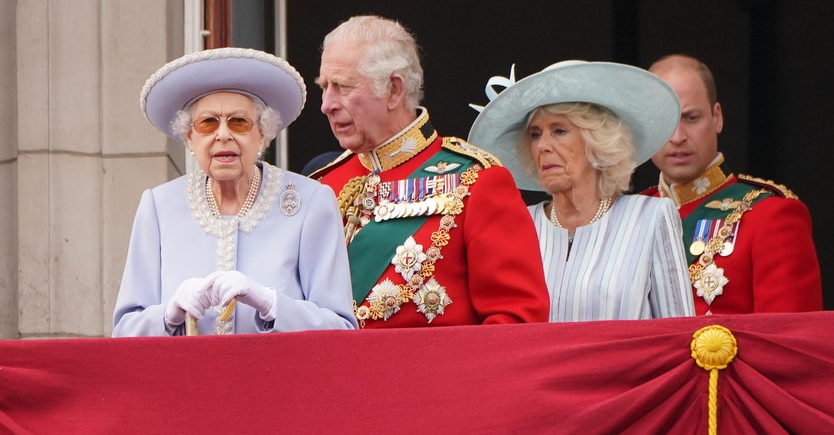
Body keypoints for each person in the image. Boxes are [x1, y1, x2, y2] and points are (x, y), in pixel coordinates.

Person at [310, 15, 550, 328]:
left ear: (394, 90)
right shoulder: (324, 185)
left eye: (341, 87)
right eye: (324, 87)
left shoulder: (476, 180)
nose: (327, 104)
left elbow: (517, 323)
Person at [112, 47, 358, 336]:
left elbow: (341, 329)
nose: (224, 134)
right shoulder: (158, 207)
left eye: (239, 122)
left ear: (262, 134)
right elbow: (124, 332)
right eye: (208, 123)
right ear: (190, 137)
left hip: (277, 379)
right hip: (184, 380)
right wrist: (169, 313)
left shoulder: (311, 202)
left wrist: (271, 304)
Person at [468, 61, 695, 321]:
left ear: (597, 142)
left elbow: (681, 335)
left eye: (559, 131)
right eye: (534, 134)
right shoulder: (516, 225)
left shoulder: (651, 217)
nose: (542, 145)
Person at [643, 54, 823, 315]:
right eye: (663, 121)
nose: (677, 137)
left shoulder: (770, 216)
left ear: (717, 117)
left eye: (691, 118)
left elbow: (789, 345)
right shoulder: (630, 216)